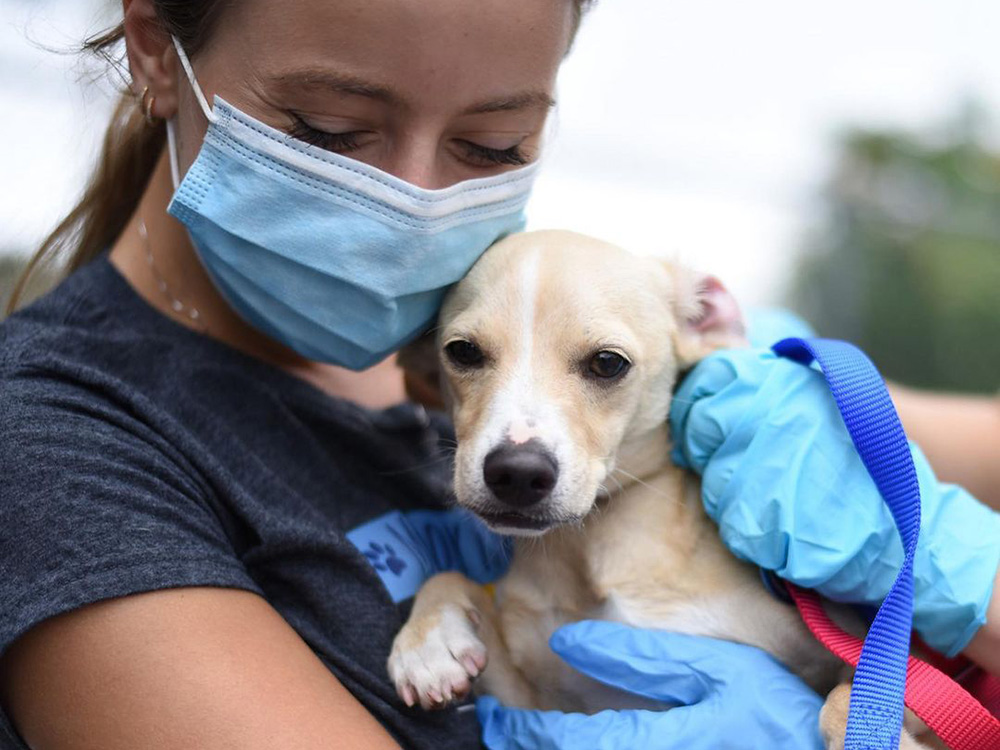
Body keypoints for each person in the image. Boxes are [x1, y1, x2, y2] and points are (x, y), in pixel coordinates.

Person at [1, 2, 997, 749]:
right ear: (150, 47)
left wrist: (945, 560)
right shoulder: (58, 441)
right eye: (331, 130)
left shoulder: (588, 319)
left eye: (492, 142)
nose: (413, 198)